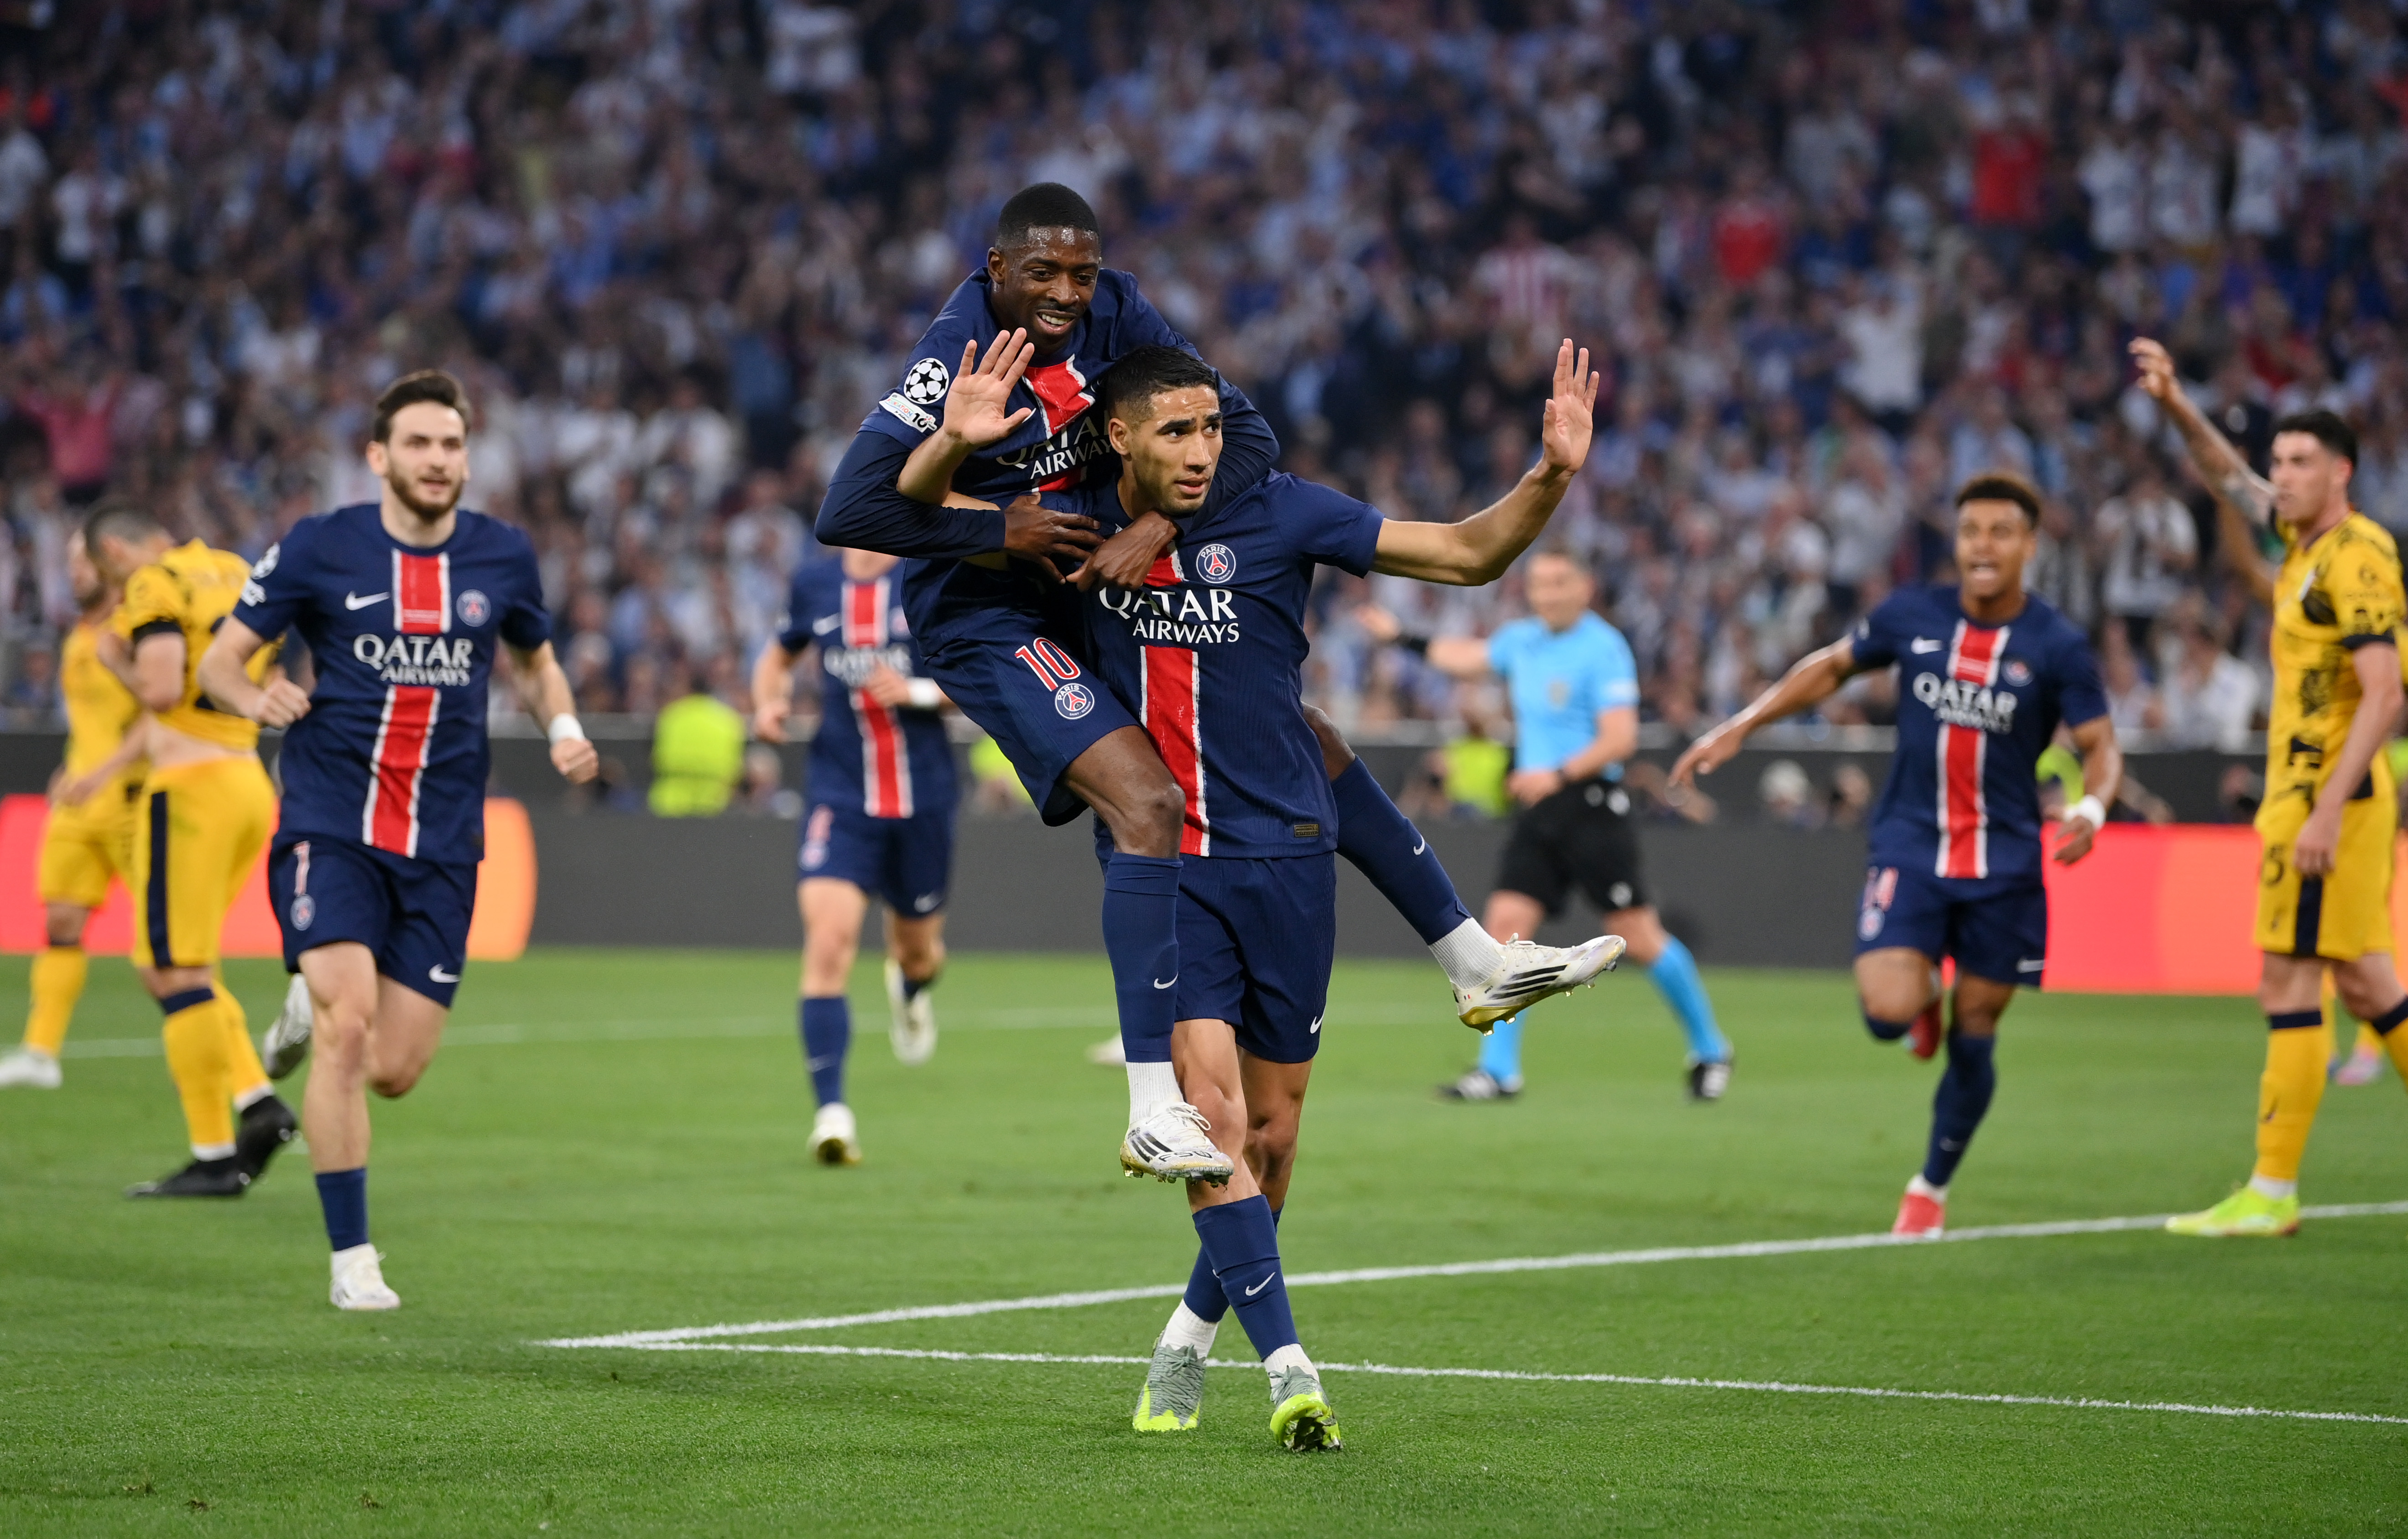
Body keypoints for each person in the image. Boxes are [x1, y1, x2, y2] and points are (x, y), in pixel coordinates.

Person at [814, 183, 1615, 1181]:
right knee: (1144, 800)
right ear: (994, 271)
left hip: (1076, 568)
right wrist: (994, 524)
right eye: (1043, 274)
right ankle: (1151, 1102)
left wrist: (1161, 522)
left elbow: (1249, 434)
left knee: (1299, 734)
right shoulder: (956, 355)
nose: (1067, 293)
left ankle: (1470, 961)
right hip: (985, 612)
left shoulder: (1121, 309)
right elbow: (848, 509)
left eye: (1082, 271)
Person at [954, 341, 1609, 1447]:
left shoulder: (1285, 513)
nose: (1203, 451)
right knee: (1210, 1127)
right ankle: (1293, 1371)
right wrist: (950, 451)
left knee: (1275, 1135)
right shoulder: (1071, 528)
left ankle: (1190, 1333)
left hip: (1294, 861)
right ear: (1118, 437)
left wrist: (1550, 477)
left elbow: (1463, 556)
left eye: (1212, 428)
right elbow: (925, 534)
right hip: (1172, 868)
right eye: (1175, 432)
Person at [197, 370, 598, 1309]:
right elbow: (220, 659)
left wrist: (565, 725)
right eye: (418, 444)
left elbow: (537, 664)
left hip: (444, 841)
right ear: (378, 456)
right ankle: (353, 1261)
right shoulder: (319, 546)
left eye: (451, 445)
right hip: (330, 823)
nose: (437, 461)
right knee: (348, 1029)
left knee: (392, 1070)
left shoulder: (502, 556)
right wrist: (257, 698)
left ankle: (299, 1005)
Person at [1673, 472, 2121, 1237]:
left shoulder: (2054, 643)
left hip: (2004, 864)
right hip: (1910, 845)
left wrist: (2089, 805)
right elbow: (1831, 665)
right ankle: (1917, 1009)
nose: (1983, 544)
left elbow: (2100, 745)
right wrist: (1741, 724)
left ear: (2028, 545)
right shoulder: (1913, 612)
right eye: (1971, 529)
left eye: (2000, 531)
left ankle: (1930, 1185)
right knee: (1884, 1011)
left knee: (1976, 1030)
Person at [2130, 338, 2408, 1237]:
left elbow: (2386, 693)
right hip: (2313, 798)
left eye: (2297, 463)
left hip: (2326, 801)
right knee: (2368, 987)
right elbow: (2223, 475)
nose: (2278, 476)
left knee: (2287, 983)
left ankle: (2270, 1190)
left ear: (2341, 472)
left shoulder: (2356, 557)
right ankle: (2269, 1190)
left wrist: (2326, 805)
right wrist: (2174, 401)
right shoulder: (2301, 539)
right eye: (2277, 461)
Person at [1361, 549, 1736, 1102]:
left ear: (1585, 586)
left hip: (1588, 803)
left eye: (1559, 582)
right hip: (1540, 810)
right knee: (1503, 931)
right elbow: (1466, 658)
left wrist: (1555, 773)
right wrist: (1401, 637)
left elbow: (1619, 740)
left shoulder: (1604, 647)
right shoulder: (1523, 640)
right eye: (1538, 583)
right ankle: (1498, 1070)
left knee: (1639, 935)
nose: (1547, 594)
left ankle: (1710, 1047)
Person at [77, 502, 302, 1197]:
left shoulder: (155, 581)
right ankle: (240, 1122)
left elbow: (164, 685)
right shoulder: (236, 570)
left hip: (190, 784)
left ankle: (232, 1133)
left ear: (116, 548)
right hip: (244, 777)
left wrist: (114, 656)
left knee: (174, 967)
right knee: (174, 966)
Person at [751, 545, 956, 1166]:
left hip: (921, 798)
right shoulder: (815, 583)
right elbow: (777, 655)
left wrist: (917, 690)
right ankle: (831, 1113)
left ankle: (912, 987)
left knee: (917, 949)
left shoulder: (929, 573)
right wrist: (768, 700)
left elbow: (983, 673)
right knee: (830, 941)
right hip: (839, 797)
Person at [0, 541, 141, 1090]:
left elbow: (160, 709)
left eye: (83, 560)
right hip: (78, 799)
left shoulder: (134, 628)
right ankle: (41, 1052)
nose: (73, 570)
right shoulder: (78, 634)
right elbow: (93, 720)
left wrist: (104, 770)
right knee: (61, 920)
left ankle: (237, 1075)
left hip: (132, 796)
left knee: (171, 948)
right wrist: (70, 766)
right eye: (72, 560)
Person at [648, 661, 746, 815]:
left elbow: (657, 758)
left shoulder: (671, 716)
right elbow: (735, 767)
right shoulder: (729, 719)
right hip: (715, 802)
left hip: (671, 803)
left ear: (689, 689)